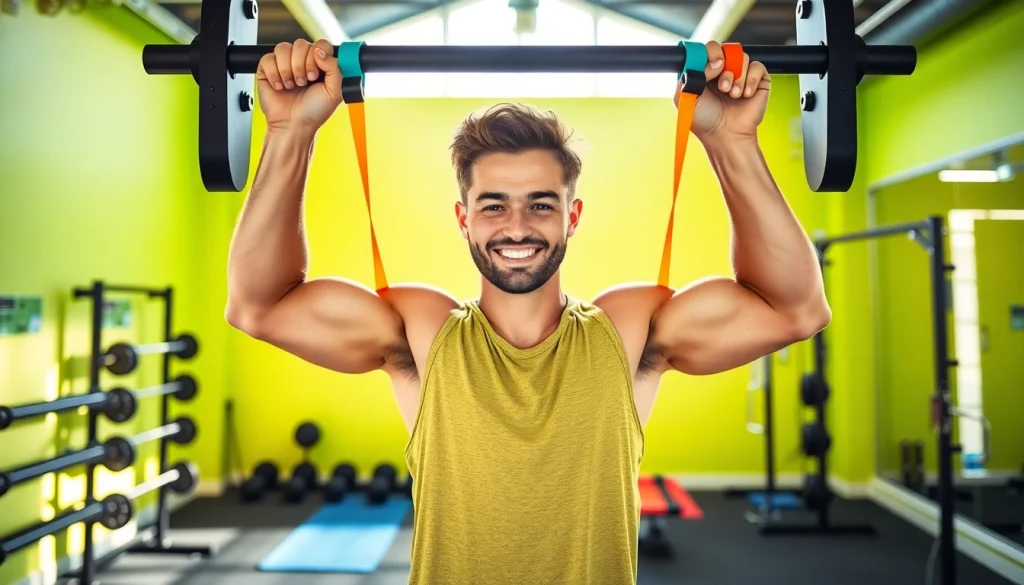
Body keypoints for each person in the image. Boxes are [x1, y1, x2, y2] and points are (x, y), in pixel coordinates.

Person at [226, 38, 830, 585]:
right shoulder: (423, 331)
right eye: (493, 206)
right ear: (464, 218)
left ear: (572, 215)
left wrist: (732, 143)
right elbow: (258, 306)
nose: (517, 226)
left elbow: (794, 310)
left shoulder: (626, 330)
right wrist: (289, 134)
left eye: (541, 205)